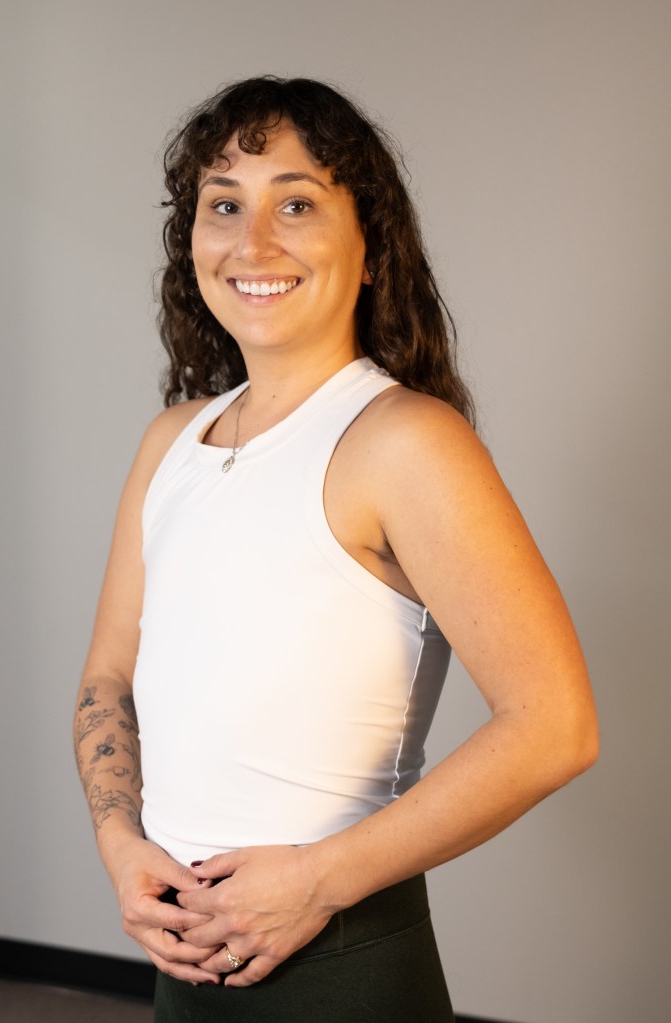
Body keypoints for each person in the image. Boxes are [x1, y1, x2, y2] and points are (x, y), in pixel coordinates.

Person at [74, 76, 598, 1022]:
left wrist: (316, 880)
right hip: (180, 957)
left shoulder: (406, 442)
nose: (252, 242)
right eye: (223, 205)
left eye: (297, 204)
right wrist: (122, 848)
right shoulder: (170, 442)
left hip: (339, 964)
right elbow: (108, 676)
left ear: (369, 251)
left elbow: (553, 726)